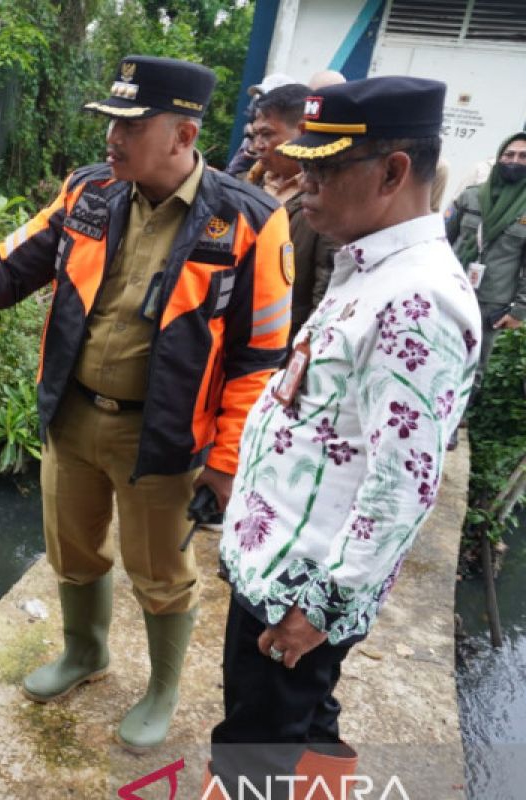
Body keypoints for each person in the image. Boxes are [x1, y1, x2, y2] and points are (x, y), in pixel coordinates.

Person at [0, 55, 292, 752]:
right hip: (73, 415)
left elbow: (260, 358)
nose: (112, 137)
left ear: (183, 134)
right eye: (110, 121)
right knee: (73, 550)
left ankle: (161, 688)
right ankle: (84, 653)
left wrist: (225, 461)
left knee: (161, 573)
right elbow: (11, 262)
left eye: (131, 124)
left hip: (162, 437)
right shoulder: (89, 192)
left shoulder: (249, 220)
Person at [202, 76, 482, 797]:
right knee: (300, 725)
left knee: (253, 751)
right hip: (283, 558)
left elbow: (402, 488)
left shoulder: (415, 299)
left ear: (392, 172)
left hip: (304, 583)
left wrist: (318, 612)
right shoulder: (372, 264)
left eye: (325, 169)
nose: (304, 182)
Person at [249, 83, 340, 339]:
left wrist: (303, 349)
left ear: (301, 132)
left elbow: (326, 284)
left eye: (267, 135)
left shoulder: (322, 199)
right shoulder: (245, 185)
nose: (258, 145)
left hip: (284, 341)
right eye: (255, 135)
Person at [445, 132, 526, 392]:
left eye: (523, 157)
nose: (514, 161)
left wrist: (519, 310)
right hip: (450, 292)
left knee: (473, 369)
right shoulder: (471, 197)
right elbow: (440, 242)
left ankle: (456, 424)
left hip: (491, 304)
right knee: (435, 354)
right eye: (509, 155)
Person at [226, 73, 297, 178]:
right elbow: (233, 173)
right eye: (260, 97)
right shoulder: (252, 133)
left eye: (267, 134)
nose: (260, 102)